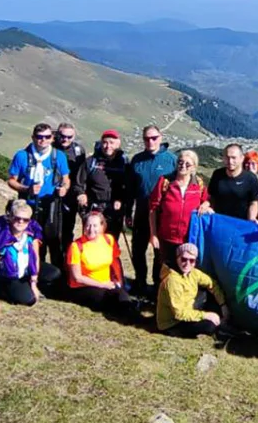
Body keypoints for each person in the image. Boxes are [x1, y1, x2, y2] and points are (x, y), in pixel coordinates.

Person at [6, 123, 71, 269]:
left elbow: (66, 179)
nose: (43, 140)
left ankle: (56, 276)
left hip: (52, 205)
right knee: (31, 239)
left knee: (54, 241)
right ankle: (33, 272)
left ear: (52, 138)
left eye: (47, 137)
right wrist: (27, 189)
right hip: (28, 206)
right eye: (39, 137)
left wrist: (64, 189)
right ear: (33, 137)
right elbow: (11, 180)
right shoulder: (22, 155)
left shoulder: (58, 156)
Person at [0, 200, 62, 312]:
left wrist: (34, 283)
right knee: (30, 300)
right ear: (10, 217)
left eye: (25, 220)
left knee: (54, 273)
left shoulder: (31, 235)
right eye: (17, 218)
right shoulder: (0, 238)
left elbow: (36, 258)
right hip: (9, 275)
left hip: (26, 270)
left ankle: (27, 286)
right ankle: (3, 289)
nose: (20, 222)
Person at [126, 125, 177, 297]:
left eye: (154, 138)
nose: (150, 141)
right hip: (141, 211)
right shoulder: (137, 160)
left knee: (159, 252)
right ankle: (140, 283)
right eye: (147, 139)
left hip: (163, 214)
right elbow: (131, 188)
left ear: (161, 138)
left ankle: (156, 286)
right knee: (138, 249)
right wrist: (127, 212)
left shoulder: (171, 160)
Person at [150, 149, 209, 276]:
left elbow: (207, 200)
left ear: (194, 167)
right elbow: (153, 209)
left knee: (185, 270)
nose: (183, 166)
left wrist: (206, 204)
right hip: (166, 237)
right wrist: (153, 234)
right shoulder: (165, 182)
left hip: (188, 238)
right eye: (180, 162)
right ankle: (157, 294)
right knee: (162, 268)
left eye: (188, 164)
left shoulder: (199, 185)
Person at [65, 211, 135, 316]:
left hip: (106, 283)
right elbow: (77, 277)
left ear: (102, 227)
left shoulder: (109, 240)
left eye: (95, 226)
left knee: (121, 294)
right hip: (83, 287)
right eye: (88, 225)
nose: (91, 229)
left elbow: (115, 262)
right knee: (105, 298)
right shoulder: (76, 246)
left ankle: (133, 314)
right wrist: (102, 285)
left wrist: (120, 283)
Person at [156, 243, 230, 337]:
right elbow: (179, 314)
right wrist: (205, 315)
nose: (187, 264)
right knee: (209, 326)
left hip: (188, 309)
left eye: (192, 260)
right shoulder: (172, 280)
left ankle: (221, 321)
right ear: (177, 258)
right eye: (184, 259)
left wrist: (222, 304)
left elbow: (212, 284)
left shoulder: (193, 273)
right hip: (173, 323)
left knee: (210, 295)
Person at [77, 130, 130, 241]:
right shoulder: (91, 162)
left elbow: (129, 186)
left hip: (114, 211)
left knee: (111, 241)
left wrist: (121, 200)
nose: (108, 146)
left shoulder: (124, 163)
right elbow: (79, 183)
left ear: (118, 143)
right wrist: (81, 194)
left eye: (111, 142)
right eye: (105, 142)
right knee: (91, 240)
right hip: (93, 209)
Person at [54, 123, 87, 261]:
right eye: (62, 136)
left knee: (67, 230)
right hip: (52, 194)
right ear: (57, 135)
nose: (65, 139)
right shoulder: (50, 147)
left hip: (71, 196)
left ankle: (66, 263)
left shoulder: (79, 151)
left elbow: (83, 174)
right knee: (52, 230)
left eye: (69, 136)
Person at [205, 143, 258, 222]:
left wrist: (252, 218)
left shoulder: (251, 179)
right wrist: (206, 205)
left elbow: (254, 202)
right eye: (227, 157)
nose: (230, 161)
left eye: (234, 158)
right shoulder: (217, 174)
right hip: (219, 222)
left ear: (241, 158)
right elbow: (212, 197)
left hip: (240, 225)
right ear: (223, 158)